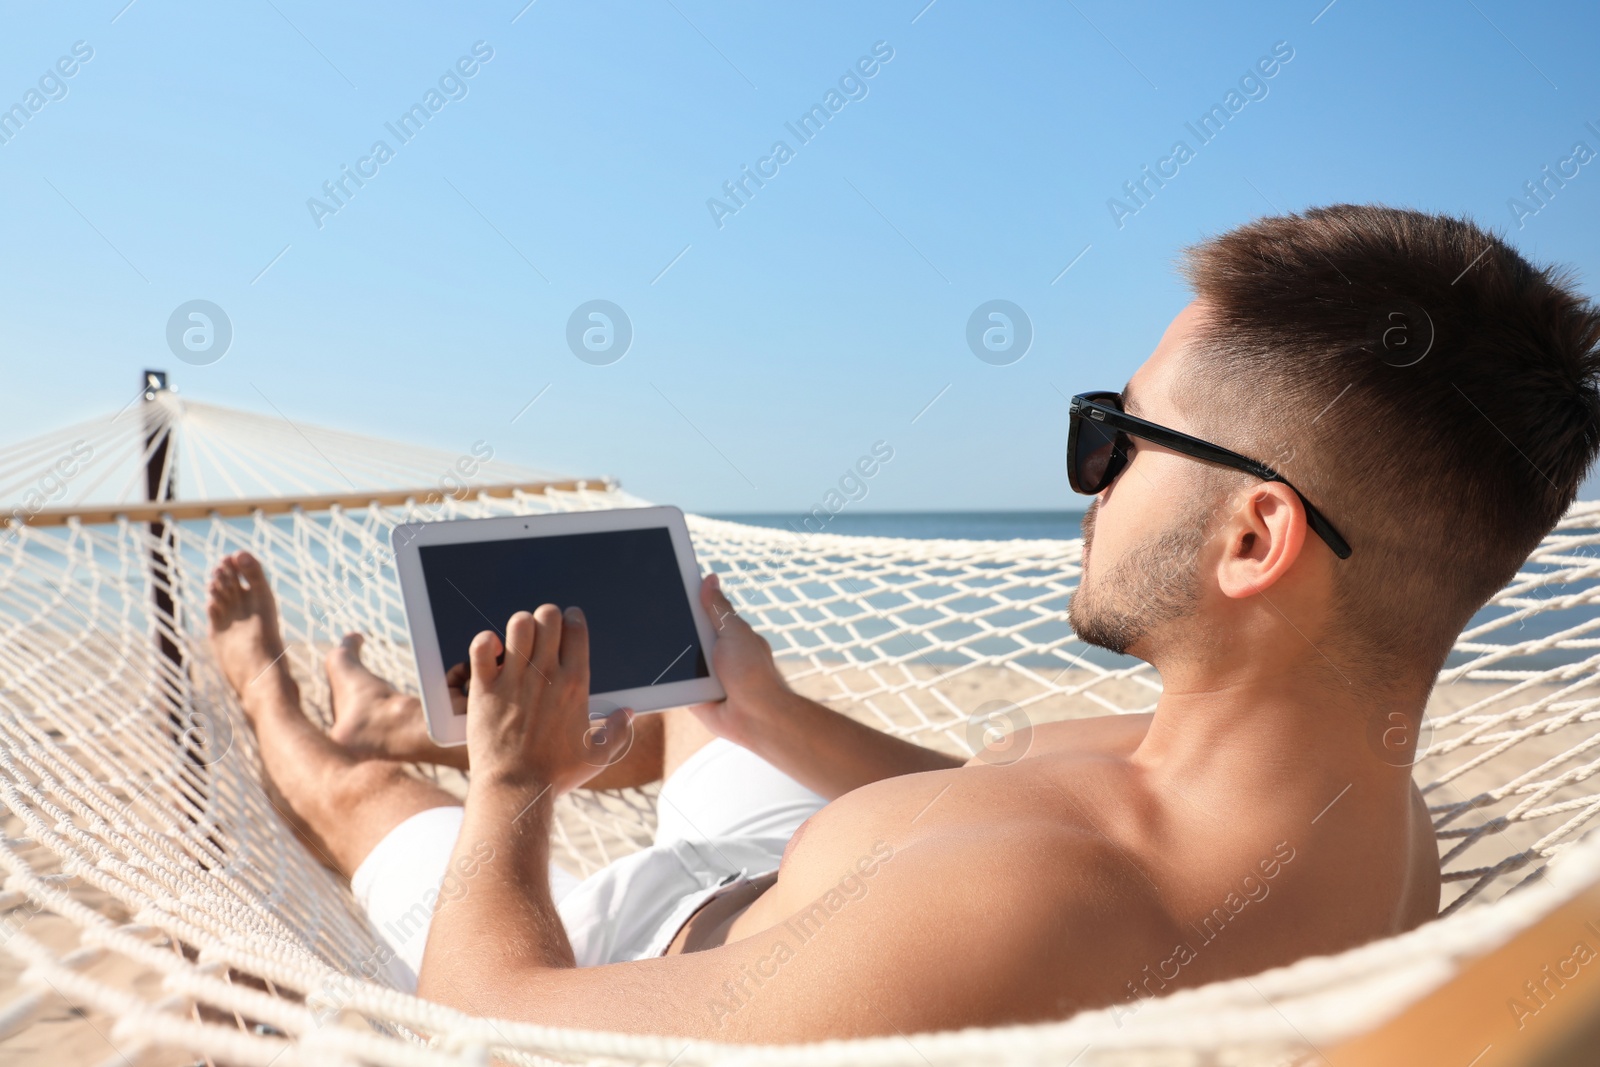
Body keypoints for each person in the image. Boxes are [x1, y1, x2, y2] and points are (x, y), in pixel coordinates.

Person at [207, 205, 1600, 1042]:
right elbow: (994, 811)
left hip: (639, 950)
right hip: (824, 891)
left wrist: (514, 788)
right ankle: (482, 717)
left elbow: (485, 1015)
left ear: (1253, 537)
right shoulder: (1363, 816)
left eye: (1113, 435)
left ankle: (298, 714)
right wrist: (770, 709)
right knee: (701, 698)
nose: (1089, 478)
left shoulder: (1026, 913)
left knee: (372, 798)